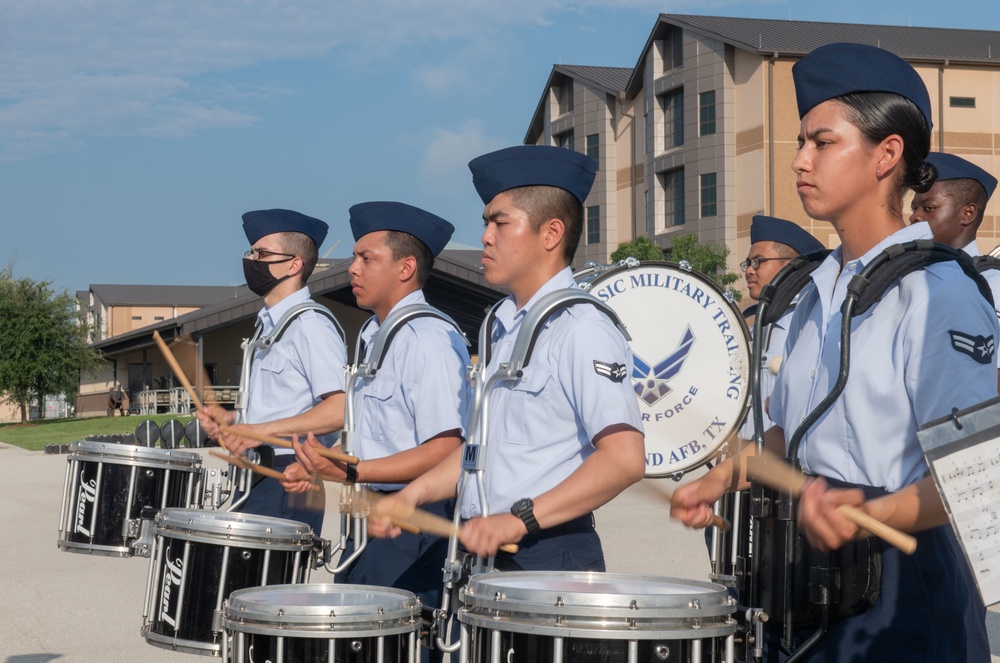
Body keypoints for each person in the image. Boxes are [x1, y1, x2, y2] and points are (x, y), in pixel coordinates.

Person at [671, 43, 998, 662]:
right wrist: (720, 476)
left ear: (887, 154)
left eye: (822, 143)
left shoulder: (937, 293)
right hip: (802, 582)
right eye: (802, 143)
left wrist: (873, 509)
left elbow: (980, 474)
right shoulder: (812, 290)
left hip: (901, 592)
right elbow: (788, 438)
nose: (800, 161)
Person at [370, 145, 646, 572]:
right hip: (486, 555)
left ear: (551, 234)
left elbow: (623, 459)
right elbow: (480, 453)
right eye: (486, 224)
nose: (485, 236)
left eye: (500, 223)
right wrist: (413, 494)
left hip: (549, 556)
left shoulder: (581, 327)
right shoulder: (502, 324)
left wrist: (519, 521)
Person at [283, 201, 471, 632]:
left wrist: (354, 472)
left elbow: (447, 448)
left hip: (416, 522)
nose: (352, 269)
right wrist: (319, 462)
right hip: (371, 517)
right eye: (355, 258)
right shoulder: (373, 332)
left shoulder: (429, 338)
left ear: (406, 268)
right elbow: (375, 429)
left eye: (366, 259)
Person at [197, 208, 347, 536]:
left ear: (294, 264)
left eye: (262, 253)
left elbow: (340, 409)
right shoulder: (267, 325)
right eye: (251, 252)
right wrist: (232, 423)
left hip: (290, 477)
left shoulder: (311, 325)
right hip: (255, 475)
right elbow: (280, 405)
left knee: (275, 587)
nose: (251, 260)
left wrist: (259, 429)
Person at [908, 151, 998, 662]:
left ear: (966, 213)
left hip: (969, 477)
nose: (916, 217)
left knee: (961, 620)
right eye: (914, 207)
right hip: (916, 481)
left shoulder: (990, 283)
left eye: (928, 207)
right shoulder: (912, 279)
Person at [738, 214, 824, 440]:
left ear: (790, 265)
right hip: (746, 459)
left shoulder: (808, 321)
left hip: (785, 461)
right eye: (748, 263)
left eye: (758, 261)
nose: (749, 270)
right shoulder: (756, 325)